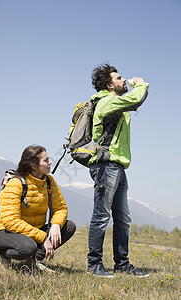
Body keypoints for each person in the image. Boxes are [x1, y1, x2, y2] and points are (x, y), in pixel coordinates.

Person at [87, 63, 149, 278]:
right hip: (106, 164)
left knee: (123, 219)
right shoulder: (105, 102)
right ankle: (94, 265)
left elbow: (131, 102)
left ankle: (122, 265)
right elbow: (134, 100)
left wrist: (134, 90)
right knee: (102, 214)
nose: (124, 80)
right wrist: (140, 85)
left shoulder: (116, 101)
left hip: (118, 166)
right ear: (109, 85)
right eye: (119, 78)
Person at [0, 145, 76, 271]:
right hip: (5, 231)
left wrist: (56, 224)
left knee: (68, 227)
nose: (50, 162)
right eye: (45, 160)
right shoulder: (16, 183)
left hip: (32, 230)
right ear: (33, 166)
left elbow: (60, 208)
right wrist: (43, 237)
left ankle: (34, 260)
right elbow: (10, 221)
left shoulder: (49, 181)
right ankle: (3, 255)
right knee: (28, 247)